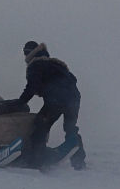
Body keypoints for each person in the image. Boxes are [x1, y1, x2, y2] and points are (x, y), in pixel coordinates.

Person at [17, 41, 86, 170]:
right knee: (70, 127)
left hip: (57, 99)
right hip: (74, 97)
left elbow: (32, 86)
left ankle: (36, 162)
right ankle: (79, 162)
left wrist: (20, 102)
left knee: (40, 124)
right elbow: (73, 79)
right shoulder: (56, 64)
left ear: (28, 53)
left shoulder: (36, 64)